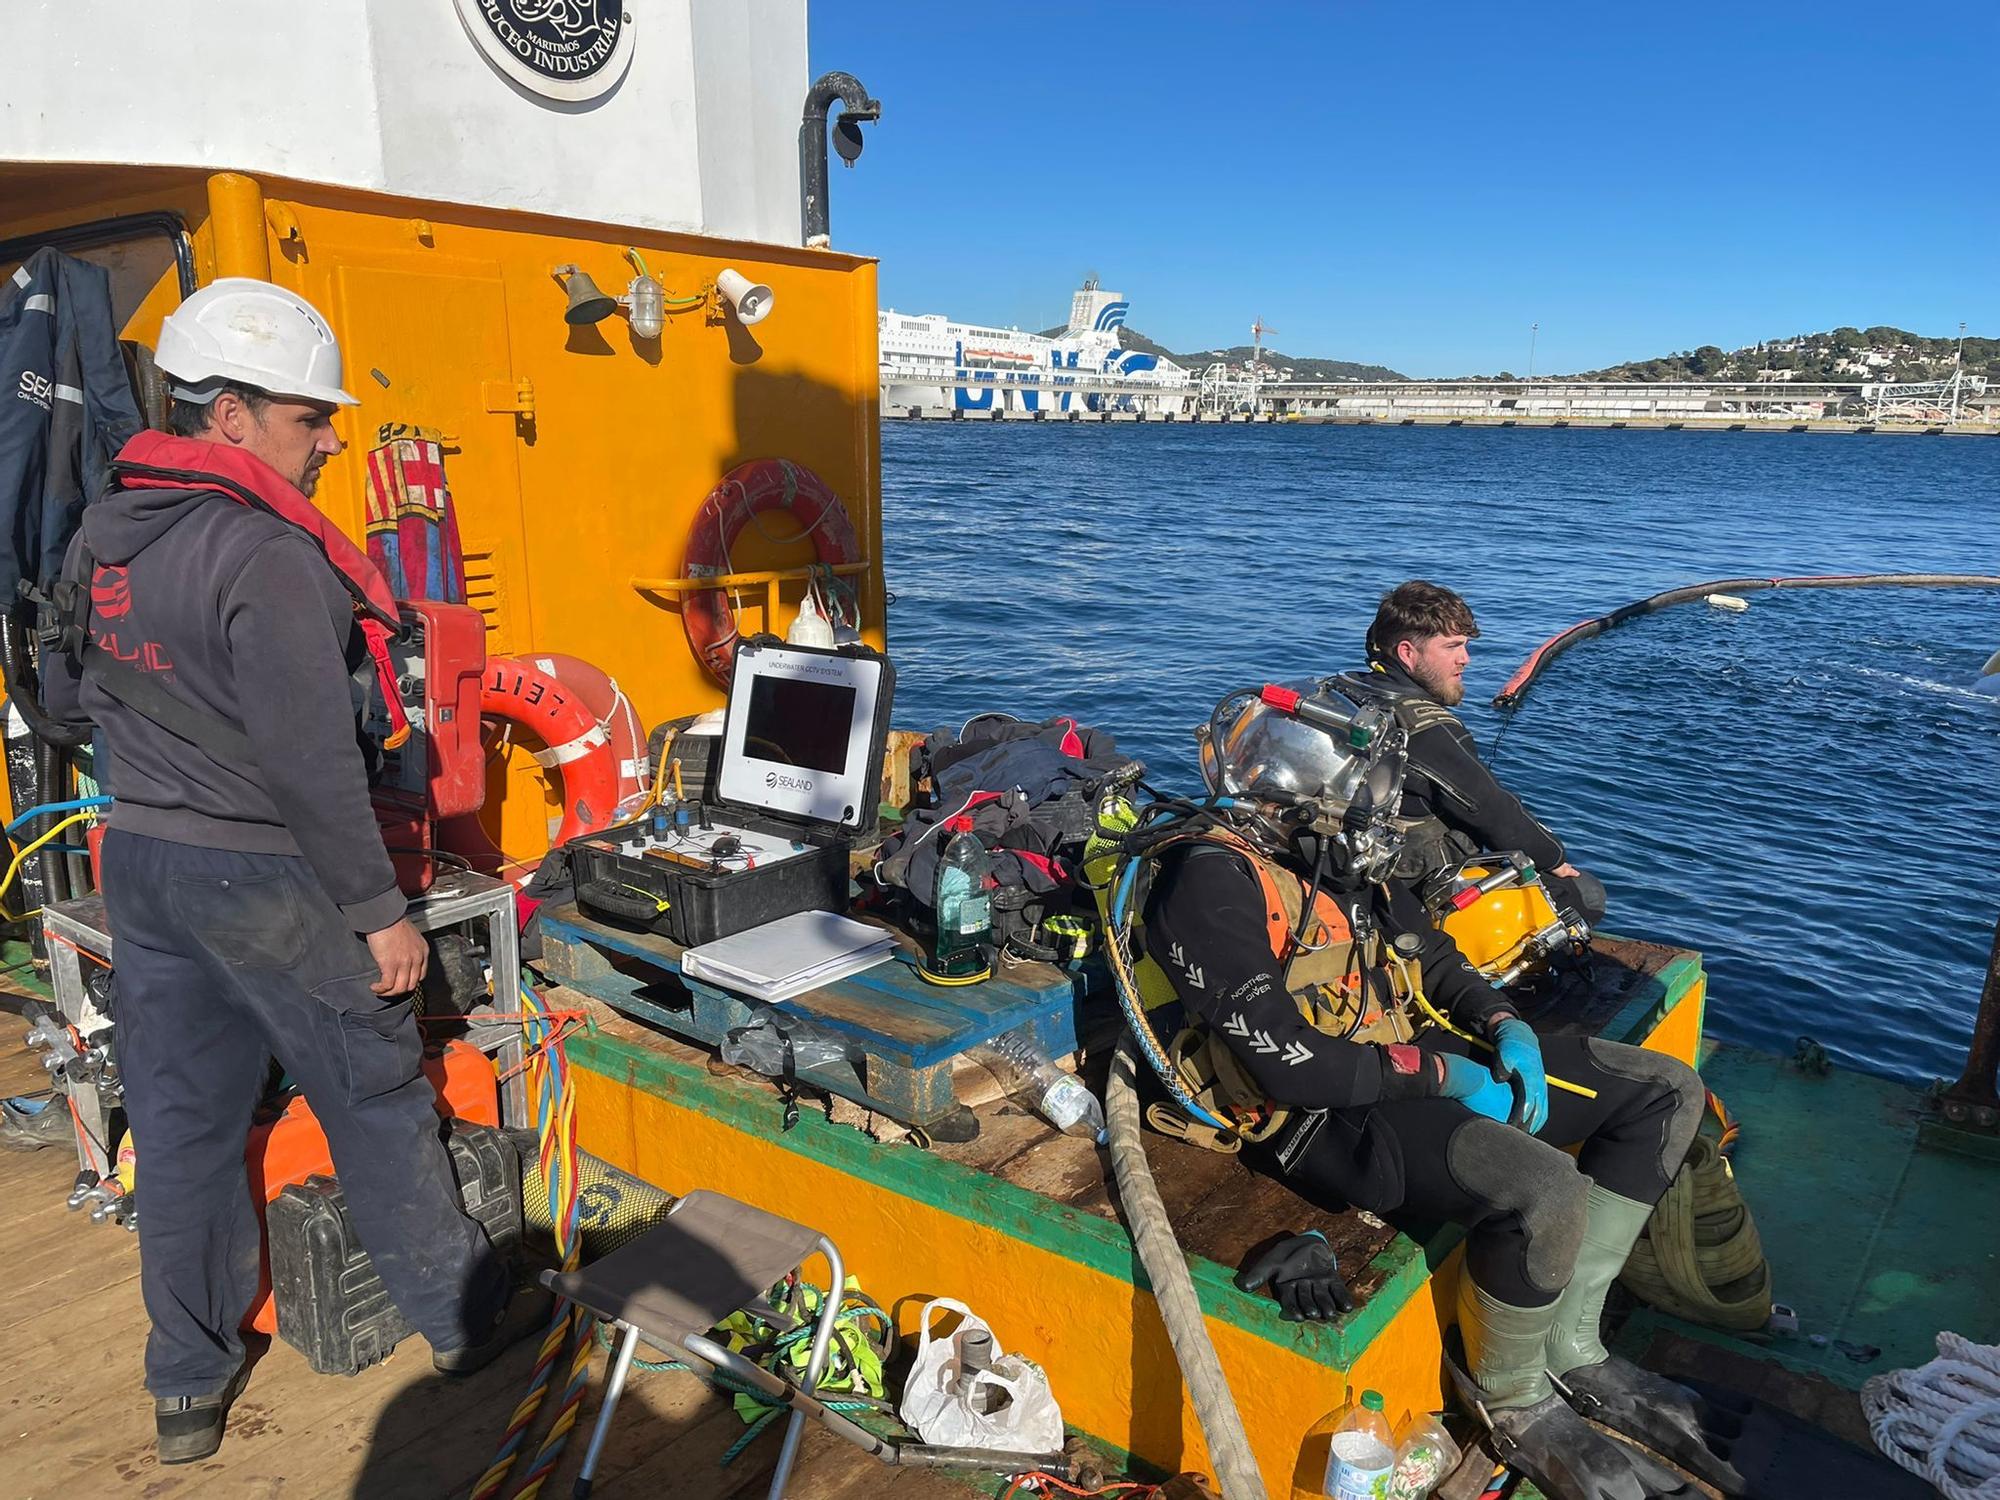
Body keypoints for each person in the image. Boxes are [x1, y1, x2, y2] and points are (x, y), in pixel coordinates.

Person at [44, 279, 534, 1463]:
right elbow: (314, 762)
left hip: (146, 867)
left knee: (180, 1125)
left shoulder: (104, 530)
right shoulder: (267, 555)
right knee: (372, 1095)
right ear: (229, 414)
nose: (327, 443)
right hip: (267, 879)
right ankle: (459, 1322)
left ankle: (187, 1387)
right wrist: (380, 917)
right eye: (308, 419)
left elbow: (63, 696)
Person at [1123, 680, 1738, 1499]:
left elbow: (1435, 959)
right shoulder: (1209, 883)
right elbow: (1287, 1065)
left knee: (1663, 1093)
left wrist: (1499, 1024)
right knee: (1544, 1189)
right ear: (1289, 804)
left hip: (1395, 1052)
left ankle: (1574, 1349)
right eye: (1357, 803)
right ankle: (1511, 1398)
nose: (1376, 821)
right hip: (1315, 1113)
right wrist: (1443, 1073)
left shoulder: (1336, 855)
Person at [1341, 580, 1605, 927]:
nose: (1465, 659)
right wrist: (1553, 857)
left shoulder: (1340, 691)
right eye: (1452, 647)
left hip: (1344, 865)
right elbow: (1491, 810)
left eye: (1465, 646)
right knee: (1586, 894)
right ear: (1407, 653)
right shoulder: (1424, 728)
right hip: (1405, 889)